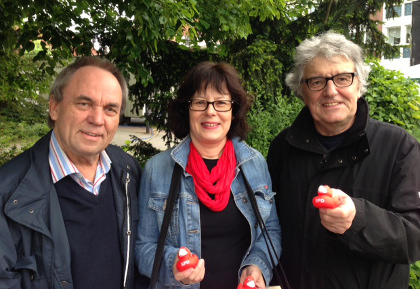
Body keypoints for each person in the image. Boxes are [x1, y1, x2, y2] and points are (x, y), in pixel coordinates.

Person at [267, 30, 420, 289]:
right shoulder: (283, 147)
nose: (330, 91)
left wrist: (357, 219)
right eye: (317, 81)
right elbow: (269, 227)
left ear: (359, 84)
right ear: (301, 91)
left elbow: (414, 238)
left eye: (342, 78)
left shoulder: (399, 147)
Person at [0, 56, 147, 289]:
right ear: (54, 107)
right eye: (84, 104)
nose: (97, 119)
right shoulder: (8, 192)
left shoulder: (128, 171)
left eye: (110, 109)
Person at [135, 61, 281, 289]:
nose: (210, 111)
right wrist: (173, 266)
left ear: (234, 111)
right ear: (186, 108)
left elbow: (270, 231)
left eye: (221, 103)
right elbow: (143, 247)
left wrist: (258, 266)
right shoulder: (158, 169)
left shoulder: (254, 164)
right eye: (200, 102)